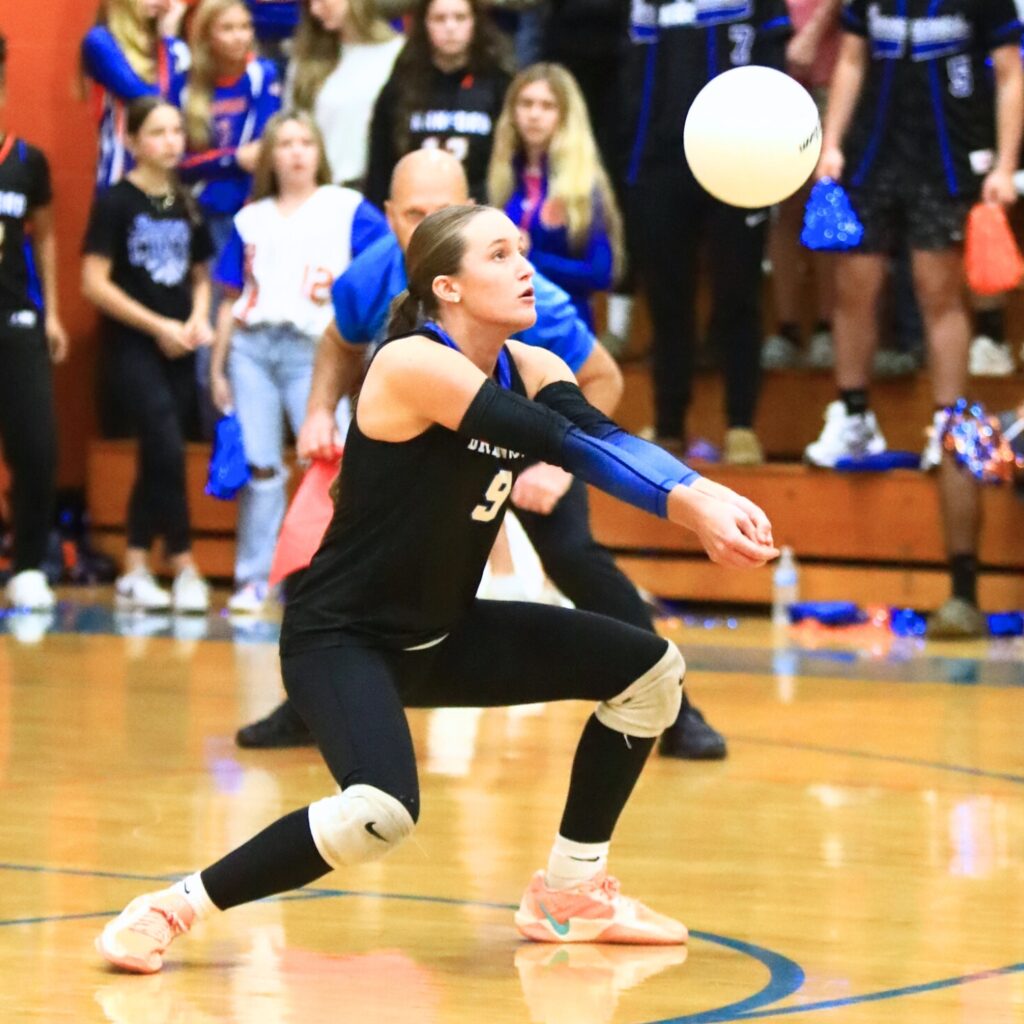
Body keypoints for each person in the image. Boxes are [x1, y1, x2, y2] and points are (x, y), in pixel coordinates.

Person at [96, 203, 778, 974]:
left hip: (445, 630)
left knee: (651, 674)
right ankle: (173, 905)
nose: (526, 267)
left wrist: (700, 490)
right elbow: (558, 442)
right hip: (342, 639)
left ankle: (571, 894)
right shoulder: (409, 365)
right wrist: (693, 504)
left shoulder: (537, 366)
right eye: (500, 255)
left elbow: (598, 435)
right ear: (447, 286)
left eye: (522, 251)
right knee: (378, 815)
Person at [236, 149, 729, 760]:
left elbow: (601, 383)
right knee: (340, 544)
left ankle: (674, 706)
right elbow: (339, 341)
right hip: (425, 456)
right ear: (389, 216)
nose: (425, 226)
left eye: (441, 211)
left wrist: (561, 470)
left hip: (528, 447)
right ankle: (319, 699)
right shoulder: (376, 276)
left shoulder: (521, 290)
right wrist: (316, 410)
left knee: (576, 556)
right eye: (413, 212)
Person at [803, 0, 1023, 470]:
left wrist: (1005, 166)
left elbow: (1010, 74)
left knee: (939, 291)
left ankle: (946, 428)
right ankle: (854, 415)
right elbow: (850, 58)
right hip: (870, 154)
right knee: (853, 286)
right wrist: (833, 143)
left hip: (949, 155)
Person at [209, 111, 389, 613]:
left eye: (305, 141)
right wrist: (217, 366)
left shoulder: (347, 207)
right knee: (261, 465)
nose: (295, 152)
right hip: (252, 348)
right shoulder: (250, 218)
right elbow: (231, 296)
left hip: (317, 349)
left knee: (331, 458)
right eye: (284, 143)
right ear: (270, 155)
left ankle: (331, 577)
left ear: (319, 151)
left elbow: (386, 263)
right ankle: (254, 578)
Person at [621, 0, 792, 466]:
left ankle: (741, 424)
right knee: (667, 301)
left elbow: (775, 74)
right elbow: (635, 78)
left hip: (739, 165)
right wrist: (634, 166)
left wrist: (765, 155)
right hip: (660, 167)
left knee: (738, 296)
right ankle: (669, 424)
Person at [81, 97, 215, 613]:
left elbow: (201, 275)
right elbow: (93, 282)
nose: (171, 140)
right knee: (160, 437)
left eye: (177, 130)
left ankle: (135, 565)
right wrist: (156, 325)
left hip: (180, 343)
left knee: (164, 451)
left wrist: (198, 317)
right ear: (134, 141)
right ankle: (182, 560)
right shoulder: (116, 200)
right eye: (157, 132)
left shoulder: (186, 200)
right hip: (133, 344)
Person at [0, 34, 68, 611]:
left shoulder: (27, 161)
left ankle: (26, 566)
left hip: (17, 318)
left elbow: (44, 239)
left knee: (37, 446)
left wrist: (53, 313)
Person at [488, 62, 623, 332]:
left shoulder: (585, 185)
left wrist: (530, 256)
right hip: (510, 328)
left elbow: (601, 274)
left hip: (566, 326)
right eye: (526, 104)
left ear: (565, 116)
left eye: (547, 106)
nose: (534, 114)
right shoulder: (505, 178)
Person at [364, 0, 513, 207]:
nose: (450, 27)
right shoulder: (400, 87)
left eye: (460, 17)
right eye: (440, 18)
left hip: (480, 210)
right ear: (424, 24)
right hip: (415, 212)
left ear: (475, 23)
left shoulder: (499, 85)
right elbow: (380, 165)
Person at [762, 0, 840, 371]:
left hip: (831, 74)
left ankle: (828, 324)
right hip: (775, 76)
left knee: (824, 202)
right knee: (783, 205)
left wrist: (812, 32)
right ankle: (788, 326)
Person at [287, 0, 404, 189]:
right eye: (309, 3)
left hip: (375, 187)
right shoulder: (305, 61)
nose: (315, 9)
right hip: (320, 188)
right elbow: (290, 125)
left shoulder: (396, 53)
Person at [82, 0, 191, 190]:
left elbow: (179, 104)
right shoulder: (100, 41)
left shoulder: (168, 46)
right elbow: (151, 103)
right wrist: (169, 40)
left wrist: (168, 41)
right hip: (121, 171)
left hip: (168, 172)